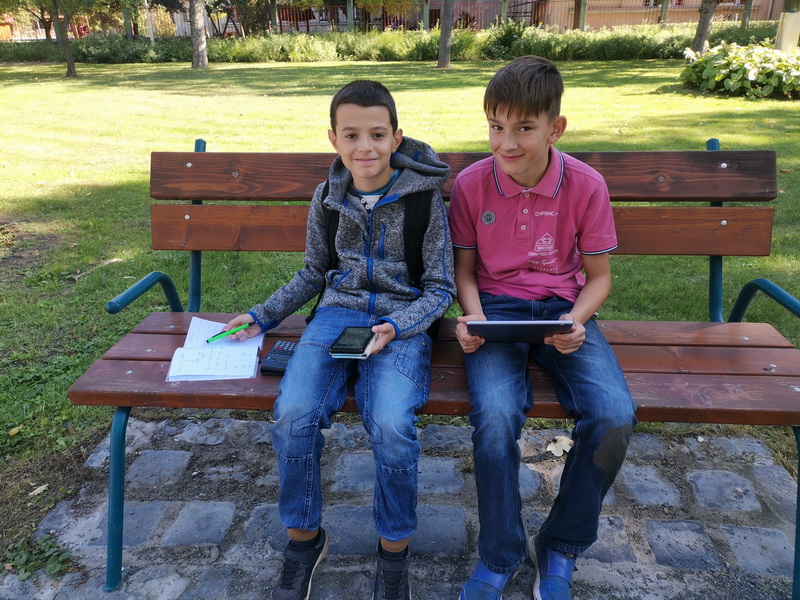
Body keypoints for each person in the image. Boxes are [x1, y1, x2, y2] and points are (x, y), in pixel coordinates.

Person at [221, 79, 455, 600]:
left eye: (377, 134)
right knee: (294, 413)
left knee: (391, 423)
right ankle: (304, 541)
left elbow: (441, 288)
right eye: (351, 135)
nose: (364, 147)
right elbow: (313, 272)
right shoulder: (327, 197)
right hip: (335, 316)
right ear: (333, 139)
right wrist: (261, 316)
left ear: (396, 137)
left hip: (399, 322)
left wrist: (399, 326)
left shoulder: (424, 200)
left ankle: (393, 552)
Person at [448, 56, 637, 600]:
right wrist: (473, 317)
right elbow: (465, 271)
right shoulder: (470, 184)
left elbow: (599, 279)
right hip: (495, 311)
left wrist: (575, 322)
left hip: (563, 309)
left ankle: (559, 544)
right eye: (496, 127)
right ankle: (500, 552)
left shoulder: (585, 184)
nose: (506, 143)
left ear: (556, 129)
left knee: (614, 414)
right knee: (496, 415)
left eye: (524, 129)